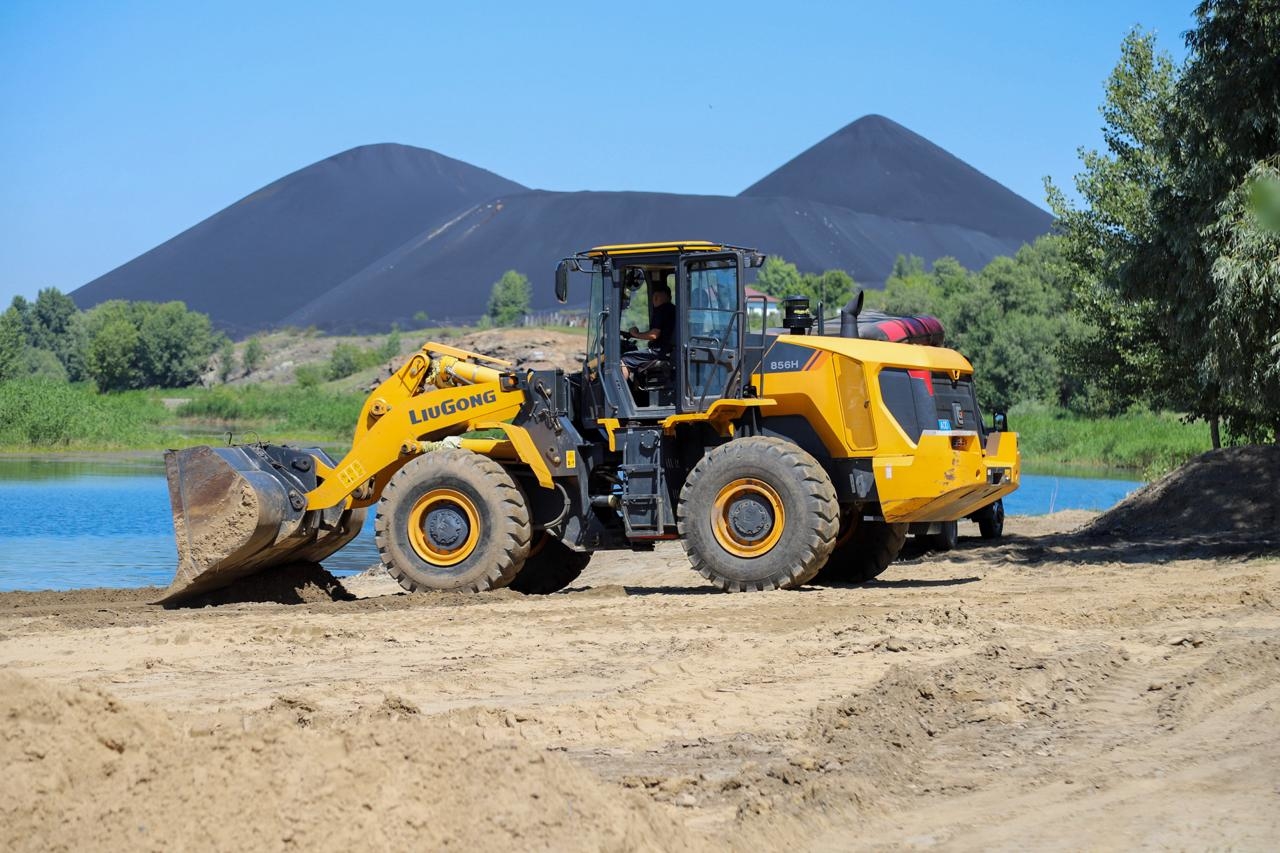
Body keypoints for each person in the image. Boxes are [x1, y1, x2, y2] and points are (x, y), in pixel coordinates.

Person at [621, 280, 675, 382]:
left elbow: (654, 335)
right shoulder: (672, 309)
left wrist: (636, 334)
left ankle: (619, 394)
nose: (654, 299)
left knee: (623, 360)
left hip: (658, 352)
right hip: (665, 351)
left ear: (662, 296)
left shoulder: (662, 310)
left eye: (656, 297)